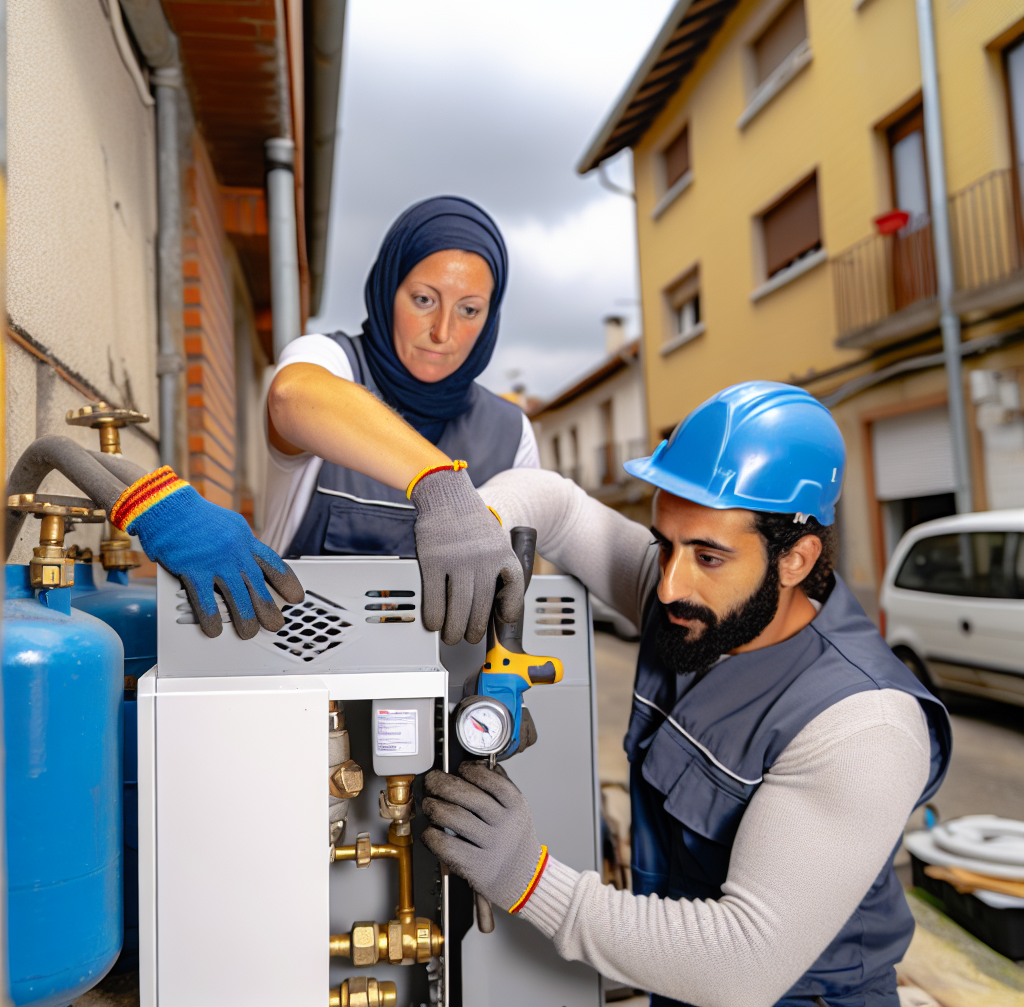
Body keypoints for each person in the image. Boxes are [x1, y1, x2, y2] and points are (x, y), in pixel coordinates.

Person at [420, 381, 953, 1007]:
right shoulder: (692, 606)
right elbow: (556, 506)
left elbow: (740, 965)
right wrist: (476, 524)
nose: (668, 585)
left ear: (796, 560)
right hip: (674, 991)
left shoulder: (866, 728)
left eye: (708, 556)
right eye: (665, 544)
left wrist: (530, 880)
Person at [264, 196, 538, 644]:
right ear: (388, 287)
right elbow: (290, 397)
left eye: (469, 309)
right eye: (424, 299)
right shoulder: (330, 362)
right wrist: (440, 486)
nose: (443, 332)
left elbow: (516, 589)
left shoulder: (512, 432)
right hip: (304, 676)